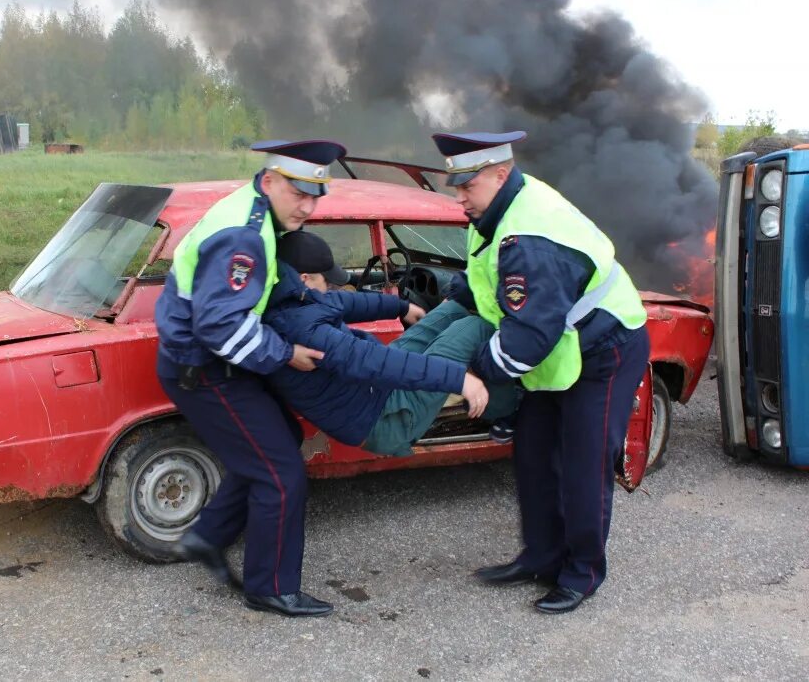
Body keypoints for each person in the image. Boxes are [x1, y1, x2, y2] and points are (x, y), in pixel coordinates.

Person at [432, 131, 651, 614]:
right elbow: (483, 279)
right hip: (558, 348)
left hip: (604, 348)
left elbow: (528, 337)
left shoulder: (531, 237)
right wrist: (440, 311)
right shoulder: (490, 214)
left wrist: (472, 371)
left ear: (501, 173)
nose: (459, 195)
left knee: (583, 463)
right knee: (532, 454)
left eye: (467, 185)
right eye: (457, 185)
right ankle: (540, 557)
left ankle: (582, 573)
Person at [154, 139, 346, 618]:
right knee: (282, 476)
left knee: (278, 438)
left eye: (316, 194)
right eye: (299, 193)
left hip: (208, 363)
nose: (309, 205)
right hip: (206, 369)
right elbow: (218, 325)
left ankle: (208, 536)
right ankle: (272, 588)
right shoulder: (244, 234)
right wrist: (287, 353)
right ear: (269, 181)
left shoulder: (252, 212)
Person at [263, 229, 518, 456]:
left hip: (374, 389)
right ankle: (509, 410)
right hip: (385, 419)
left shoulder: (294, 299)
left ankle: (486, 395)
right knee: (473, 327)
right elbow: (374, 362)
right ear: (305, 278)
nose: (330, 286)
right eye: (325, 280)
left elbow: (346, 303)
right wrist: (460, 379)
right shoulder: (302, 330)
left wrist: (402, 307)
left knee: (453, 309)